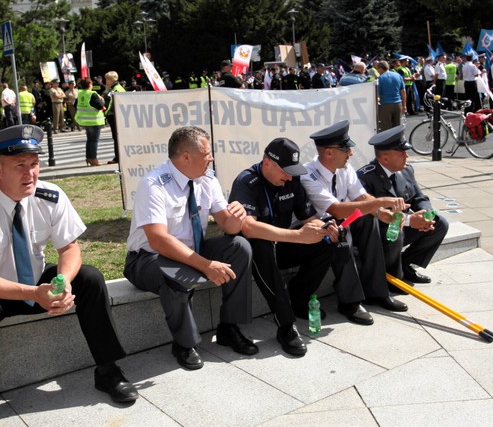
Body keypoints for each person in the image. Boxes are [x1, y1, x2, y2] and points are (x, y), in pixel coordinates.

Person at [0, 126, 137, 426]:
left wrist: (63, 284)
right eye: (20, 165)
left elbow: (70, 248)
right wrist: (32, 294)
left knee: (90, 279)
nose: (30, 173)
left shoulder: (49, 195)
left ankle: (108, 370)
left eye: (34, 164)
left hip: (35, 281)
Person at [125, 126, 256, 370]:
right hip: (148, 259)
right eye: (207, 153)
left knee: (239, 247)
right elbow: (158, 240)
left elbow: (228, 226)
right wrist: (206, 265)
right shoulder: (154, 184)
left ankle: (229, 327)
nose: (212, 158)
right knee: (176, 273)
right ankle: (184, 344)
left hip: (191, 251)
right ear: (186, 156)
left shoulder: (208, 180)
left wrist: (237, 217)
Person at [228, 138, 339, 356]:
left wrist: (325, 227)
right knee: (261, 245)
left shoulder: (293, 180)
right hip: (253, 252)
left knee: (326, 242)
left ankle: (299, 299)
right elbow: (249, 227)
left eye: (292, 171)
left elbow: (309, 218)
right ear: (267, 162)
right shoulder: (246, 181)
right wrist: (298, 236)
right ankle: (286, 327)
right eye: (285, 171)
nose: (289, 176)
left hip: (284, 245)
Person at [300, 121, 408, 326]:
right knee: (340, 233)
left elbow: (361, 197)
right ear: (329, 153)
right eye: (345, 148)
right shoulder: (308, 175)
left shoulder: (344, 168)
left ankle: (377, 292)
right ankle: (350, 302)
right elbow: (335, 210)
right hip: (319, 228)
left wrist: (381, 212)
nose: (350, 152)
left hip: (342, 221)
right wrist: (382, 201)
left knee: (369, 219)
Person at [356, 125, 448, 286]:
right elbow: (370, 216)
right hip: (380, 231)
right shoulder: (365, 177)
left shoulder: (406, 170)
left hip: (403, 224)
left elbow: (419, 197)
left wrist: (425, 214)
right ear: (385, 159)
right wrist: (410, 219)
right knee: (394, 233)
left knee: (440, 223)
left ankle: (405, 264)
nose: (407, 155)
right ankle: (391, 278)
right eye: (402, 152)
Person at [74, 78, 105, 167]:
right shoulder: (93, 94)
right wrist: (102, 100)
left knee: (89, 140)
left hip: (85, 121)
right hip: (94, 121)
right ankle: (94, 159)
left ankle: (88, 158)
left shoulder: (80, 94)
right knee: (94, 141)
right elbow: (100, 106)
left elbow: (75, 105)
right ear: (90, 85)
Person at [375, 60, 406, 132]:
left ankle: (388, 143)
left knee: (386, 128)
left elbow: (377, 94)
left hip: (386, 105)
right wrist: (404, 105)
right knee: (398, 127)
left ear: (380, 68)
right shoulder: (398, 75)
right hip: (398, 104)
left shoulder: (380, 78)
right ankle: (397, 142)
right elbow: (403, 91)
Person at [103, 71, 126, 165]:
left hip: (115, 116)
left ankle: (118, 158)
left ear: (112, 79)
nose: (106, 81)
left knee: (117, 137)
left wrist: (105, 113)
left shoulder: (115, 89)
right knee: (117, 137)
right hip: (117, 116)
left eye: (107, 79)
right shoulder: (116, 88)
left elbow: (110, 103)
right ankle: (118, 157)